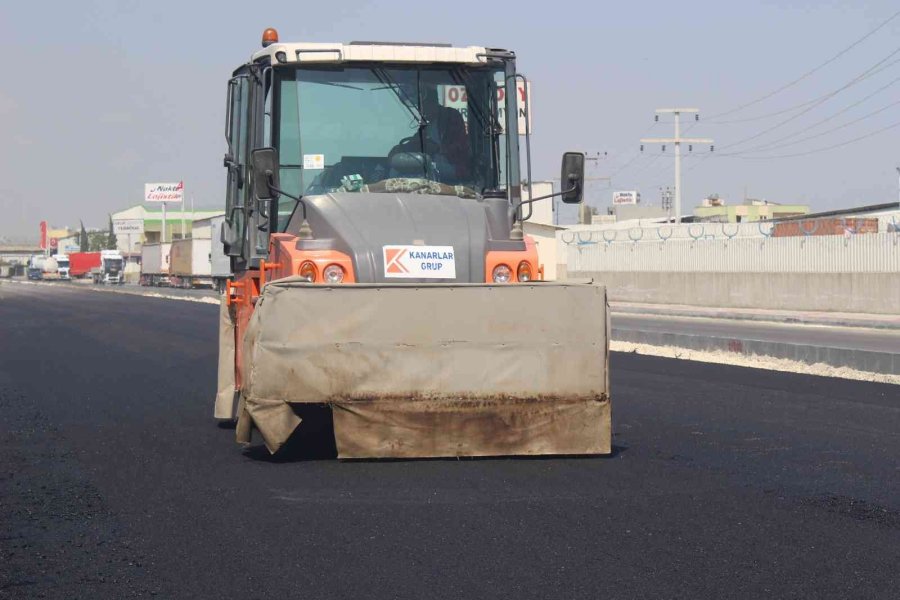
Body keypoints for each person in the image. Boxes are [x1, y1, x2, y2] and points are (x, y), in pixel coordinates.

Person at [390, 83, 469, 182]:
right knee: (396, 169)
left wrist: (438, 149)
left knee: (427, 170)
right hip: (430, 163)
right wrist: (401, 149)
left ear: (433, 102)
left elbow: (461, 145)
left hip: (451, 165)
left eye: (424, 105)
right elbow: (418, 140)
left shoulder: (451, 116)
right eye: (420, 107)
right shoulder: (427, 122)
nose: (421, 110)